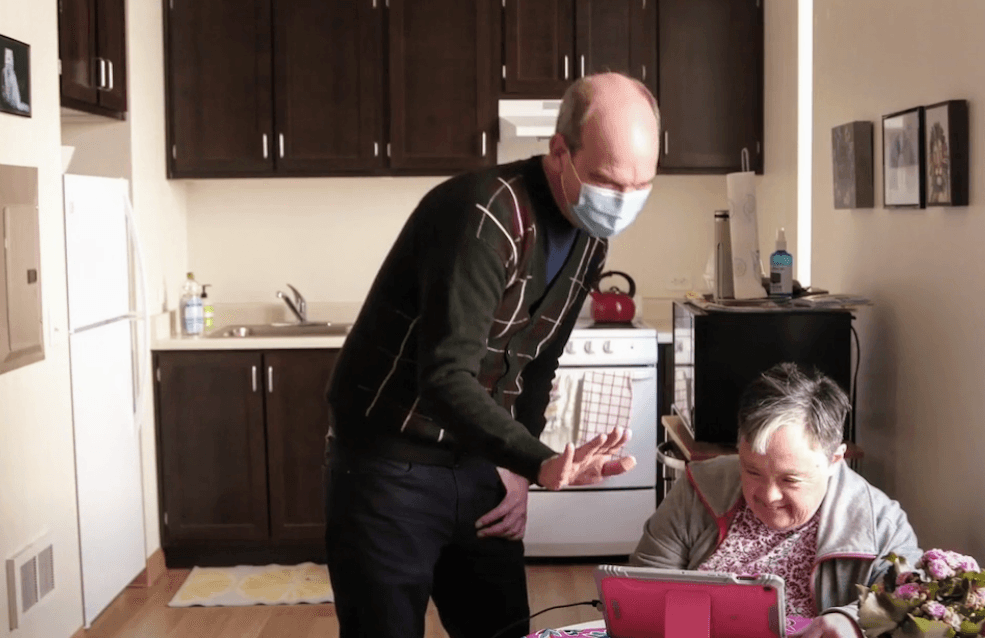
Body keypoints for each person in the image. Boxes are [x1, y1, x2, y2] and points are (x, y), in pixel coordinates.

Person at [323, 72, 660, 638]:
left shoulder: (589, 236)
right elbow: (445, 377)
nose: (622, 203)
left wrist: (520, 475)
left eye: (641, 186)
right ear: (561, 152)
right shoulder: (484, 213)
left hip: (475, 462)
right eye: (607, 181)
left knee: (502, 629)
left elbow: (539, 363)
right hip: (387, 466)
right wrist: (539, 460)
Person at [631, 363, 923, 638]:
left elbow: (910, 600)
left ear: (835, 460)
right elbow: (641, 590)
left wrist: (851, 619)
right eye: (752, 471)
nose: (768, 495)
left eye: (790, 479)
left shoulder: (880, 522)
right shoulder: (700, 487)